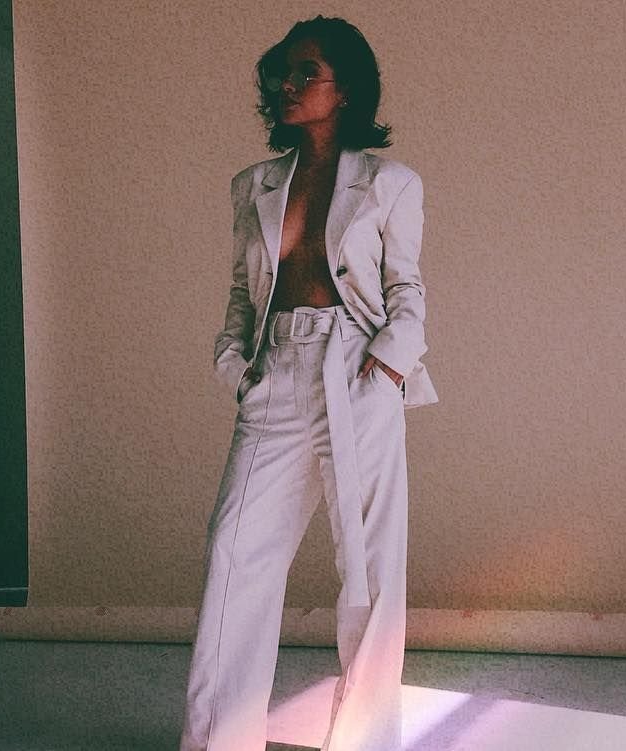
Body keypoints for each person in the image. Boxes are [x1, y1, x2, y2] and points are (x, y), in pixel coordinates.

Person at [180, 15, 438, 751]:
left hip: (358, 368)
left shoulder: (391, 183)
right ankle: (218, 740)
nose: (288, 86)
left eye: (307, 73)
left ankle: (364, 740)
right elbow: (242, 292)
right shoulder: (253, 185)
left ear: (345, 88)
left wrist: (389, 365)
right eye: (282, 73)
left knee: (371, 570)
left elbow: (406, 289)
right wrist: (236, 365)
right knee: (234, 555)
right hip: (276, 372)